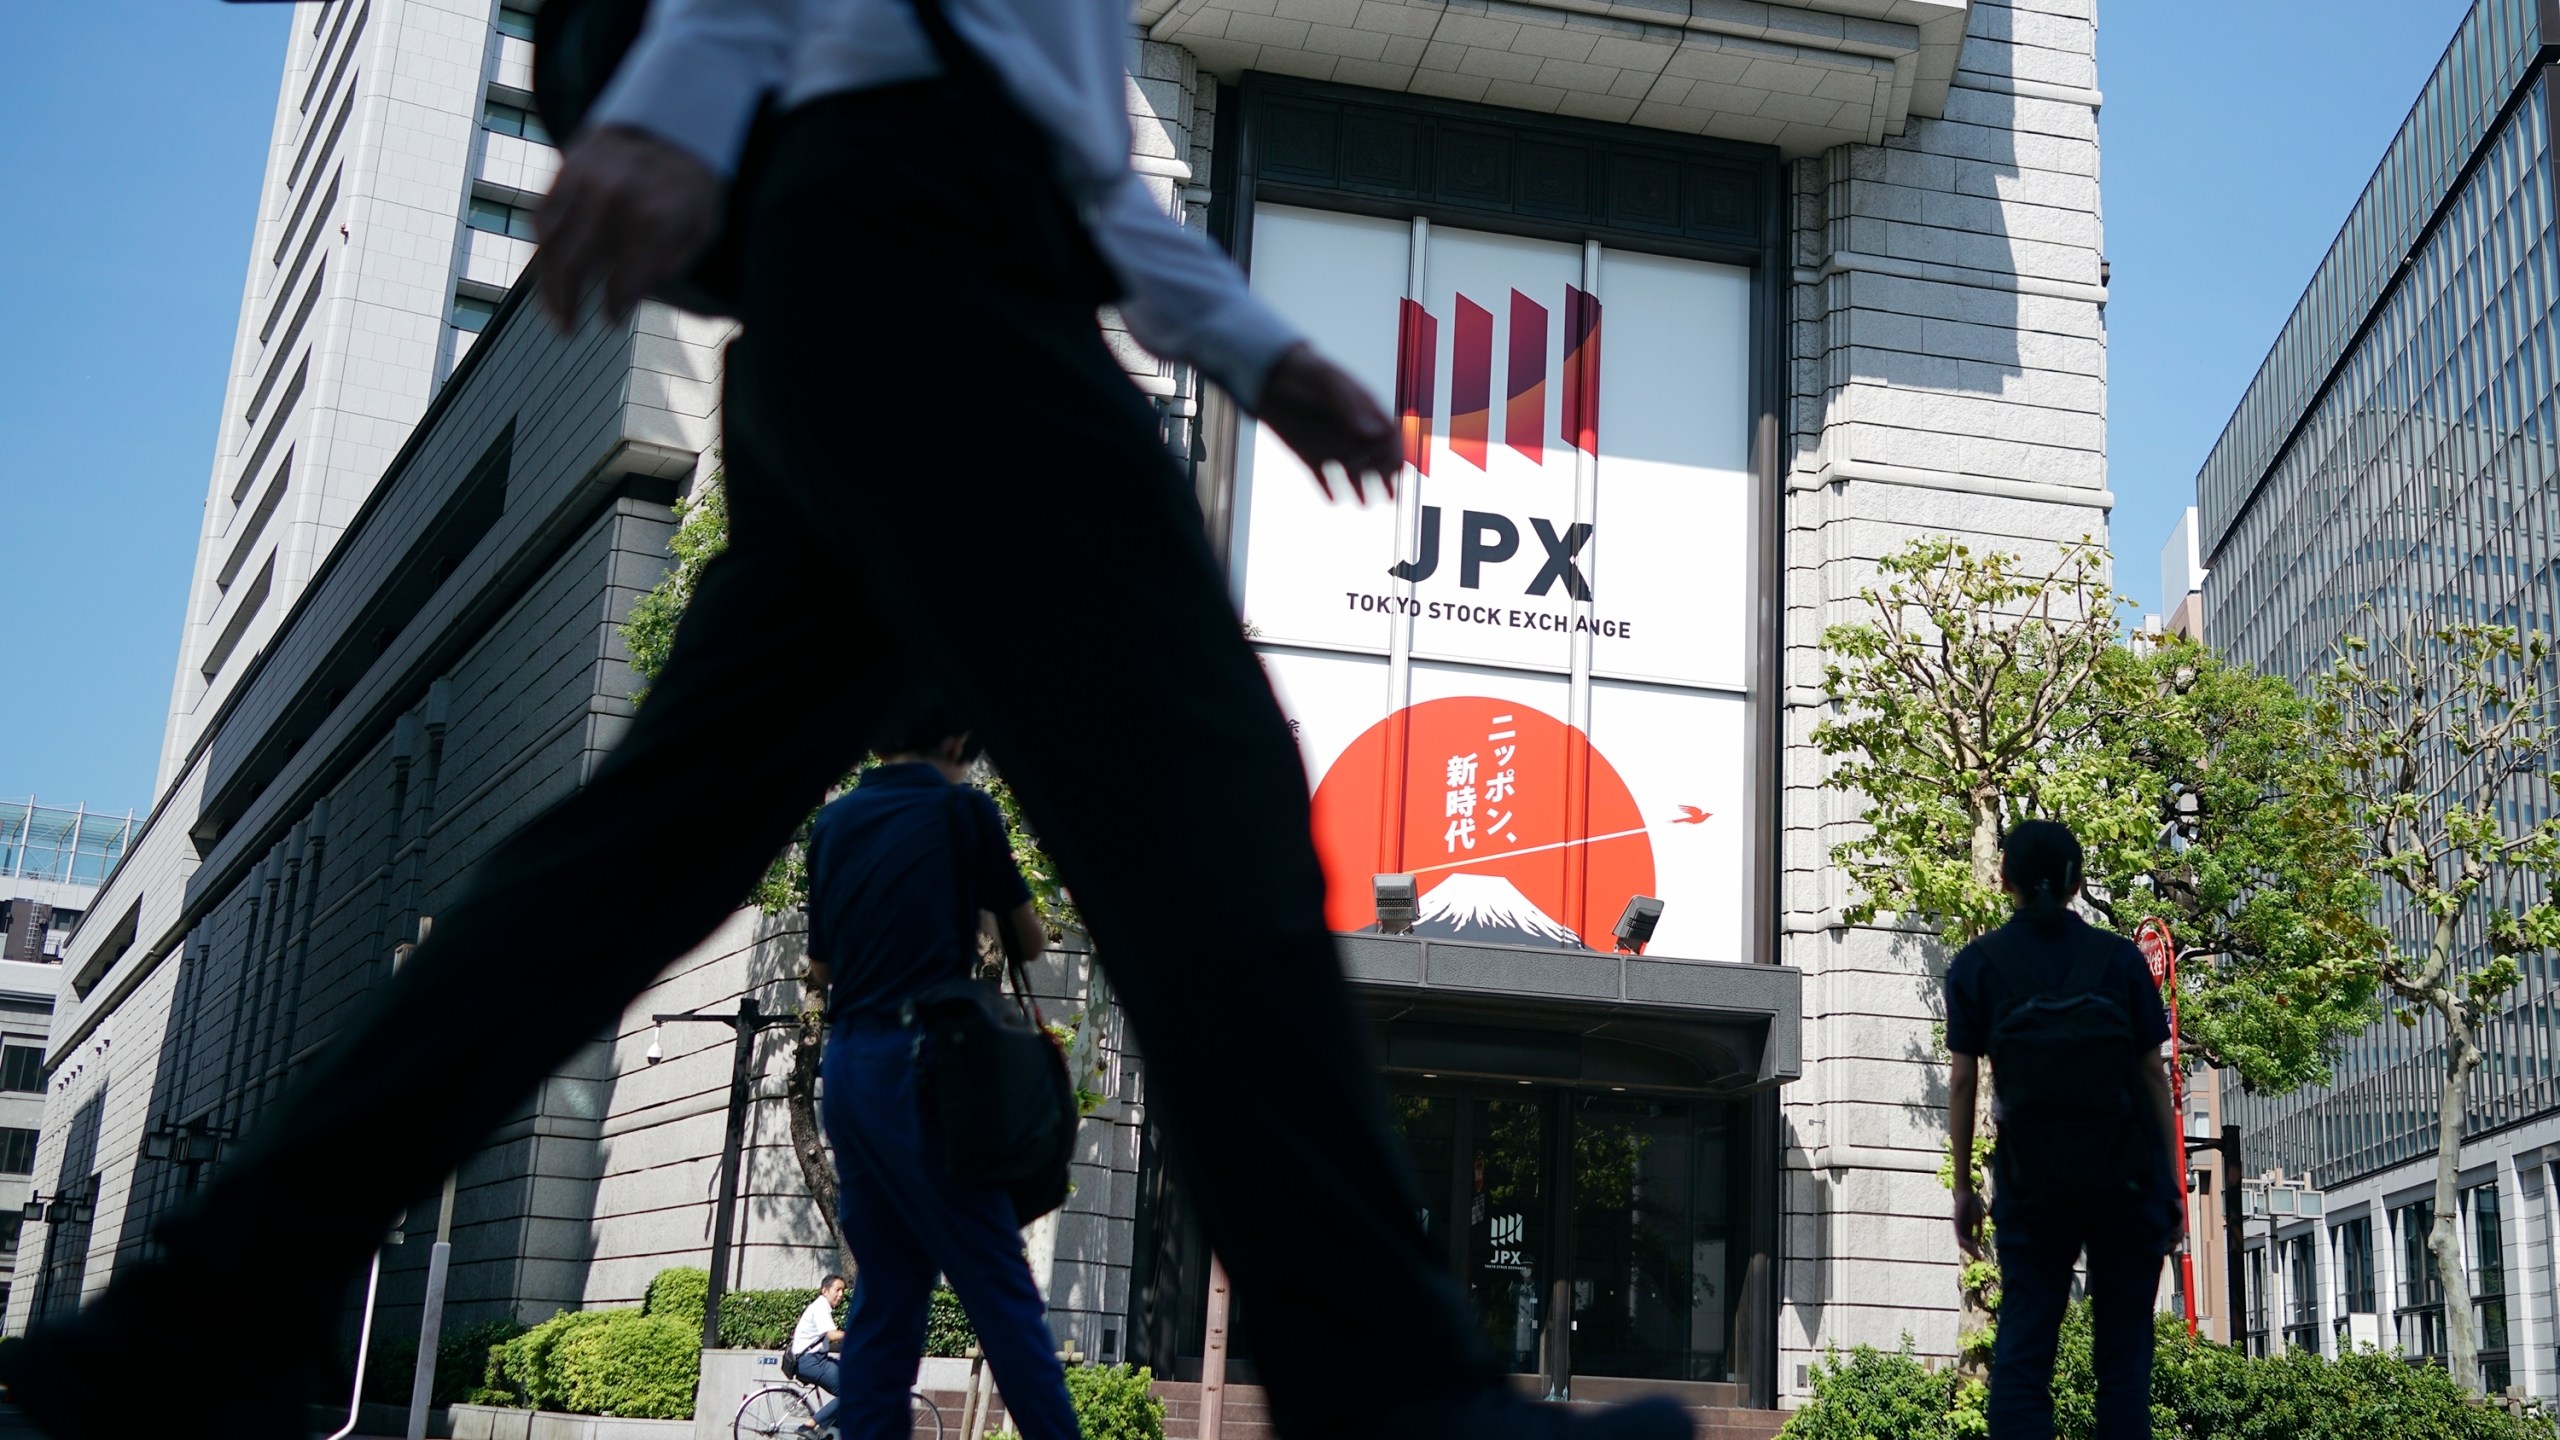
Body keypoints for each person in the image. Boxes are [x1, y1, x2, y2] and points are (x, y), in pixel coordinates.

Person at [0, 3, 1694, 1440]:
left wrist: (1254, 345)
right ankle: (1393, 1391)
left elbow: (1070, 140)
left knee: (617, 875)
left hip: (884, 269)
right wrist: (685, 92)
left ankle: (178, 1334)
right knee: (1211, 815)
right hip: (923, 256)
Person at [803, 712, 1072, 1440]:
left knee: (887, 1296)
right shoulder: (963, 809)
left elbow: (821, 967)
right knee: (1000, 1289)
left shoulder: (833, 824)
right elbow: (1026, 938)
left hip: (848, 1070)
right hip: (924, 1070)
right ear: (955, 742)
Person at [1945, 821, 2186, 1440]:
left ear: (2005, 880)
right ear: (2079, 882)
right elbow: (2153, 1077)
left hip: (2032, 1183)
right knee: (2123, 1364)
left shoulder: (1977, 967)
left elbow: (1964, 1085)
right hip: (2123, 1180)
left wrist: (1964, 1190)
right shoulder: (2121, 960)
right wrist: (2171, 1186)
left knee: (2023, 1358)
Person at [791, 1274, 851, 1435]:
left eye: (843, 1291)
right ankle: (808, 1426)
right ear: (824, 1290)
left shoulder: (821, 1307)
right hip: (810, 1362)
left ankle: (829, 1432)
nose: (841, 1295)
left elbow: (828, 1339)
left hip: (815, 1359)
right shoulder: (820, 1307)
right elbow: (832, 1335)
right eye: (837, 1290)